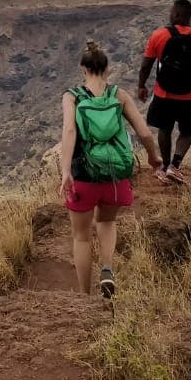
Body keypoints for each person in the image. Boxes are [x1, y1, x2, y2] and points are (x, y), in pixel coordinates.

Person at [57, 40, 161, 298]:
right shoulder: (119, 95)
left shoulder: (72, 97)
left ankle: (84, 295)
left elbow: (69, 131)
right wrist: (154, 157)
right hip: (115, 175)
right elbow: (145, 132)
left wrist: (65, 171)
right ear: (106, 69)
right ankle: (107, 269)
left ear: (83, 69)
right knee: (106, 220)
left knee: (81, 237)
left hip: (84, 175)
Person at [137, 0, 191, 182]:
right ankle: (175, 165)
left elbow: (146, 64)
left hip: (163, 93)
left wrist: (141, 86)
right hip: (188, 97)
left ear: (178, 15)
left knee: (165, 128)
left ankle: (164, 167)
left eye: (171, 12)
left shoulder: (159, 35)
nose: (170, 14)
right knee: (187, 132)